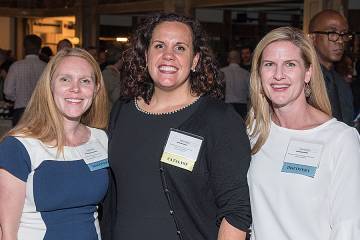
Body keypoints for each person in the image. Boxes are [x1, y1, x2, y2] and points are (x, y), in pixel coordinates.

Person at [101, 12, 251, 240]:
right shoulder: (123, 110)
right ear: (146, 55)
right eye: (159, 46)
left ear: (195, 60)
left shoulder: (219, 120)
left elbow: (236, 210)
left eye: (180, 48)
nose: (168, 55)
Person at [246, 26, 360, 239]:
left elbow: (349, 226)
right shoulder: (253, 132)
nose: (278, 75)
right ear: (259, 73)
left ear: (308, 72)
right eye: (269, 65)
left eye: (290, 64)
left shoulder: (339, 139)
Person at [0, 47, 109, 239]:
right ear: (50, 86)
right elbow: (6, 232)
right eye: (65, 79)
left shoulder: (101, 139)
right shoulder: (18, 146)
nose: (75, 88)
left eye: (85, 81)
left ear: (96, 89)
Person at [308, 9, 354, 126]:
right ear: (313, 38)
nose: (340, 41)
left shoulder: (341, 83)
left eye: (343, 34)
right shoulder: (302, 79)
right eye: (332, 33)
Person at [4, 34, 47, 126]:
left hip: (20, 111)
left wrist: (16, 98)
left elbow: (7, 91)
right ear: (39, 48)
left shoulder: (16, 66)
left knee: (19, 139)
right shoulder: (46, 67)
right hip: (41, 111)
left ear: (24, 48)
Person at [221, 49, 250, 118]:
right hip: (242, 106)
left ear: (228, 59)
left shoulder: (221, 72)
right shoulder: (246, 73)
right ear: (239, 60)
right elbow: (250, 93)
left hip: (226, 105)